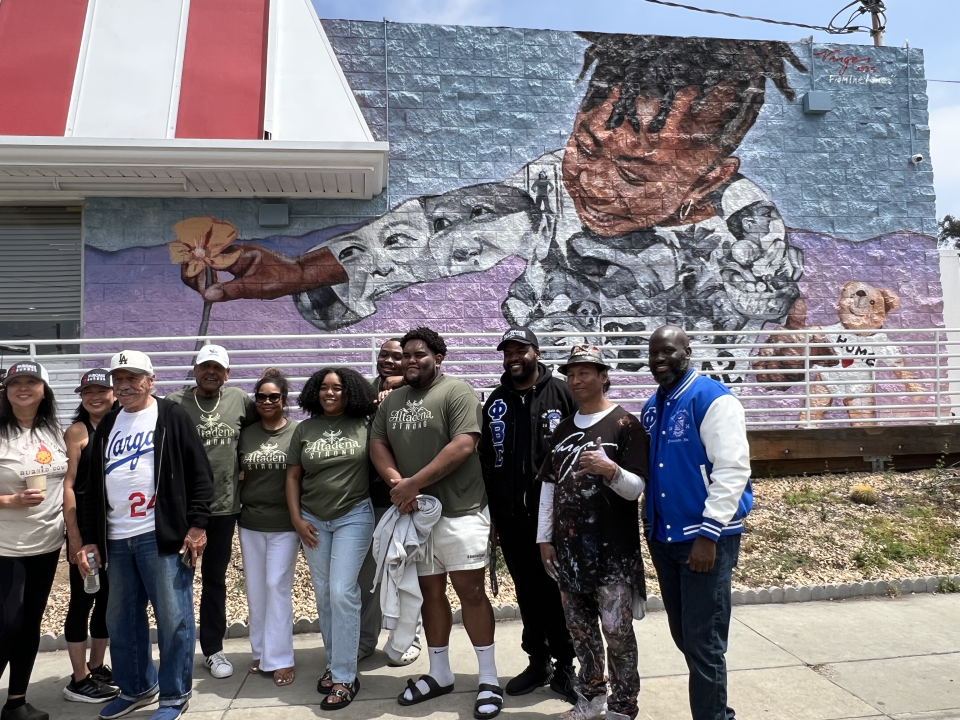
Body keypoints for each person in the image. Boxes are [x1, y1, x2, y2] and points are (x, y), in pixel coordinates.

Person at [370, 327, 503, 720]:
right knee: (430, 594)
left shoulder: (457, 392)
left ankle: (489, 679)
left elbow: (463, 444)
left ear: (438, 358)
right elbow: (377, 443)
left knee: (471, 592)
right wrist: (398, 484)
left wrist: (413, 484)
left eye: (420, 354)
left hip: (460, 512)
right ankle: (440, 673)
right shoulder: (392, 400)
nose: (411, 360)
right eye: (406, 355)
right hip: (416, 518)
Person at [78, 350, 214, 720]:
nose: (124, 385)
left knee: (174, 619)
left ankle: (174, 695)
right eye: (118, 378)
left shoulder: (170, 415)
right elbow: (91, 488)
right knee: (121, 620)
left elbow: (200, 472)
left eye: (133, 378)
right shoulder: (107, 425)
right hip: (117, 539)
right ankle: (137, 688)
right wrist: (90, 538)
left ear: (150, 381)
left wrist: (198, 525)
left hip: (161, 536)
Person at [641, 326, 752, 720]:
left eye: (668, 351)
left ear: (687, 350)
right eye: (653, 353)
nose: (658, 359)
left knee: (704, 642)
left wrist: (710, 533)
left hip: (704, 541)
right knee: (685, 635)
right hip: (665, 539)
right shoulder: (652, 406)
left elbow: (732, 470)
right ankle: (717, 709)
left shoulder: (712, 399)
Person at [537, 344, 648, 720]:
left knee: (617, 632)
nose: (576, 379)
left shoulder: (626, 425)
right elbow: (549, 487)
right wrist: (543, 539)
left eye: (585, 372)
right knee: (580, 632)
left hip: (614, 553)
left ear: (603, 376)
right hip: (568, 553)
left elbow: (636, 489)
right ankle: (592, 697)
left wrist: (609, 469)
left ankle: (624, 704)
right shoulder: (564, 429)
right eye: (571, 373)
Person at [478, 327, 577, 699]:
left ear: (536, 352)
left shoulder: (562, 392)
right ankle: (538, 662)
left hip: (554, 516)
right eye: (508, 352)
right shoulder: (497, 402)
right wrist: (492, 513)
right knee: (527, 592)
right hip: (512, 518)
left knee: (556, 591)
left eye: (521, 350)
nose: (514, 357)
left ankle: (567, 667)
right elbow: (486, 459)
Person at [286, 367, 376, 710]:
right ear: (314, 392)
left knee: (342, 591)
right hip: (312, 520)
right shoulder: (304, 429)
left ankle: (345, 676)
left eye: (337, 388)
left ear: (350, 392)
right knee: (324, 594)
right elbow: (293, 476)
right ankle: (336, 663)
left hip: (354, 514)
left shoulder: (365, 425)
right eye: (323, 388)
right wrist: (296, 518)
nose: (330, 393)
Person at [166, 344, 257, 679]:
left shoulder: (239, 401)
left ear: (227, 374)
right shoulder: (174, 404)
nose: (211, 373)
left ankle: (214, 650)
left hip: (224, 508)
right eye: (205, 366)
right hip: (181, 512)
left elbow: (264, 429)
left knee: (214, 581)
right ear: (195, 370)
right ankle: (177, 651)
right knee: (176, 583)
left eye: (218, 368)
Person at [0, 362, 68, 720]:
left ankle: (16, 703)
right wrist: (9, 501)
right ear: (6, 390)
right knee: (7, 624)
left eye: (31, 382)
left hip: (46, 544)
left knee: (29, 624)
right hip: (5, 548)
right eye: (16, 383)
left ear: (44, 390)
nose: (23, 388)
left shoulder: (53, 431)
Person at [359, 338, 422, 665]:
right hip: (363, 498)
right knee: (368, 576)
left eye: (397, 357)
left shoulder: (416, 392)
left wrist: (401, 389)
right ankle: (364, 641)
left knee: (404, 572)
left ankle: (407, 640)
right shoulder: (364, 391)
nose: (388, 361)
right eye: (384, 355)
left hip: (402, 497)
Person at [237, 369, 299, 687]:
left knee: (277, 586)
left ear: (284, 400)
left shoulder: (296, 432)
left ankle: (282, 658)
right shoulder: (246, 434)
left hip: (285, 525)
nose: (267, 401)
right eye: (261, 397)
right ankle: (261, 652)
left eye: (274, 396)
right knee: (257, 589)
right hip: (250, 523)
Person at [62, 369, 121, 703]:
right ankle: (78, 678)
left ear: (113, 393)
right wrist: (74, 538)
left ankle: (96, 667)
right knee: (82, 598)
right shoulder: (76, 431)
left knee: (108, 600)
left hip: (115, 527)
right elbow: (68, 485)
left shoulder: (122, 425)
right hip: (85, 527)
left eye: (101, 390)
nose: (95, 397)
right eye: (88, 392)